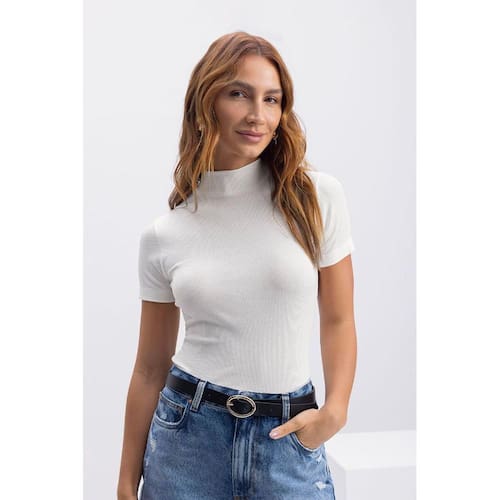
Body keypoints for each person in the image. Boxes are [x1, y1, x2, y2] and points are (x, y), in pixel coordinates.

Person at [117, 31, 357, 500]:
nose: (257, 115)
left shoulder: (316, 198)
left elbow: (339, 318)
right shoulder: (164, 235)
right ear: (205, 103)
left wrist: (335, 412)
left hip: (288, 440)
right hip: (187, 441)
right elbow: (149, 368)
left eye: (271, 99)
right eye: (238, 94)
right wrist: (126, 483)